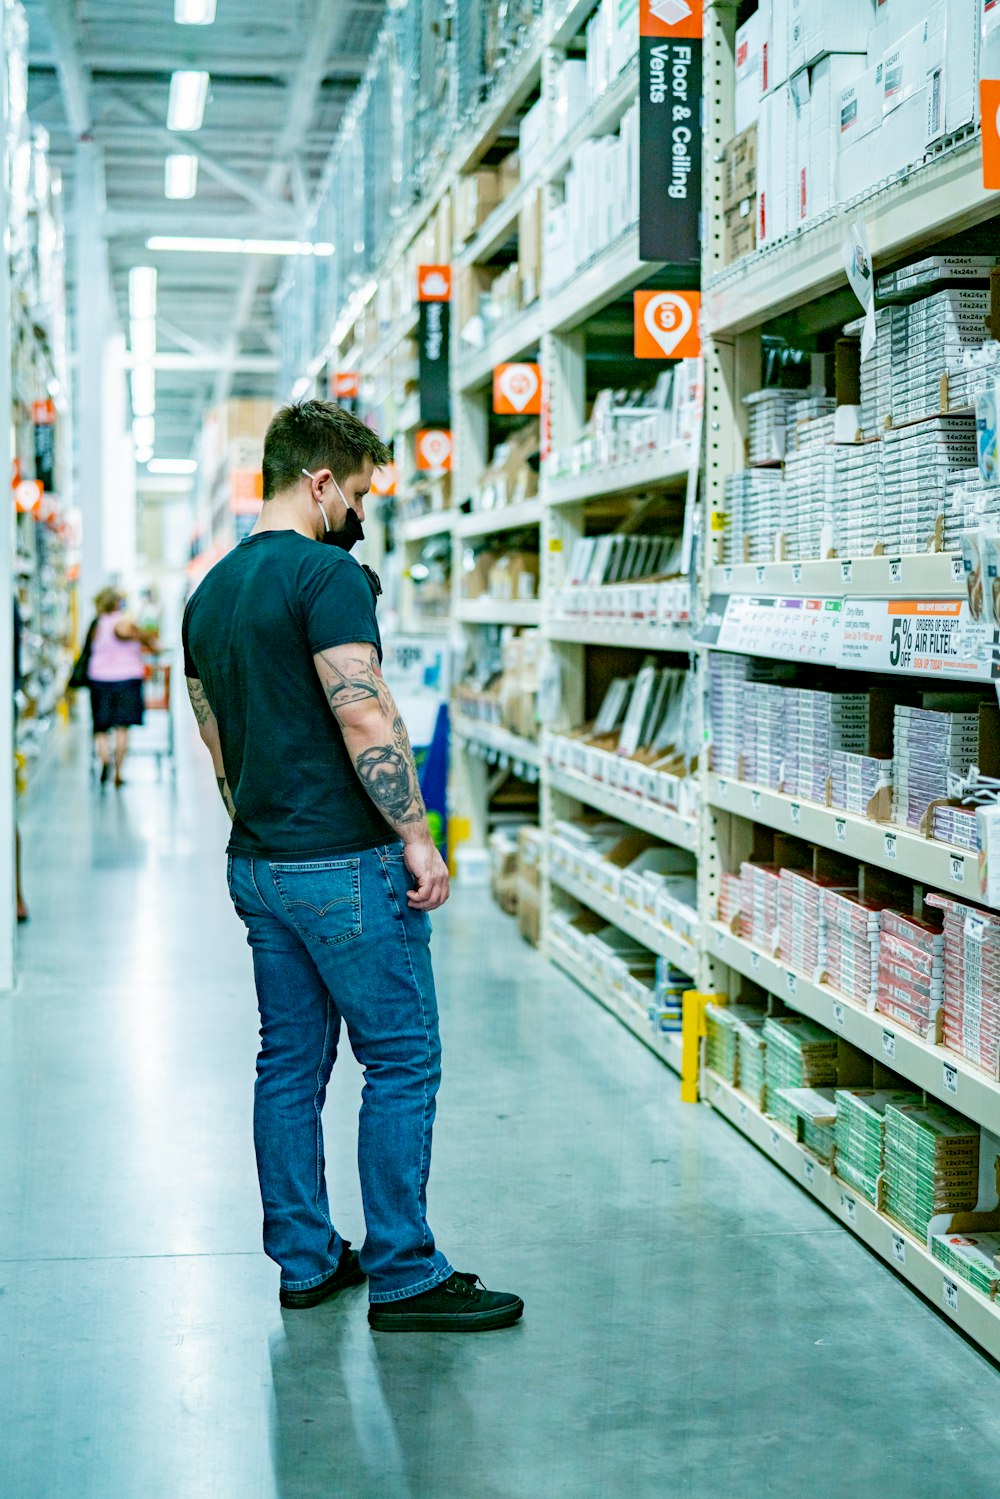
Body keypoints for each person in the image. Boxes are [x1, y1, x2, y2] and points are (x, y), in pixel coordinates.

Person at [182, 400, 523, 1333]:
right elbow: (364, 711)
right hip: (343, 861)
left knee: (289, 1063)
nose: (364, 511)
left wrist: (261, 834)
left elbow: (217, 743)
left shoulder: (207, 594)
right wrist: (416, 832)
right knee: (403, 1057)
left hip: (259, 862)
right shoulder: (328, 574)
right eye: (361, 491)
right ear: (321, 482)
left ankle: (304, 1260)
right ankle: (406, 1270)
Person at [86, 587, 158, 787]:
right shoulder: (124, 622)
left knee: (100, 725)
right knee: (122, 727)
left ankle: (104, 759)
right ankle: (118, 772)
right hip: (127, 678)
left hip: (99, 677)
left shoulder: (96, 624)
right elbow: (150, 641)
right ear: (117, 603)